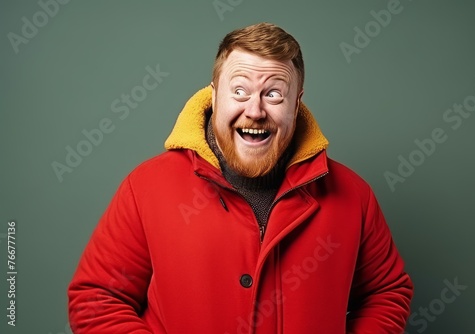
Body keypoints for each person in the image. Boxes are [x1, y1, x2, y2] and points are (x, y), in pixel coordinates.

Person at [68, 22, 413, 333]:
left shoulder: (354, 195)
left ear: (296, 105)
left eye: (274, 93)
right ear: (214, 96)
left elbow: (387, 292)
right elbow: (97, 299)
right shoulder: (146, 187)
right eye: (240, 91)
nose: (255, 110)